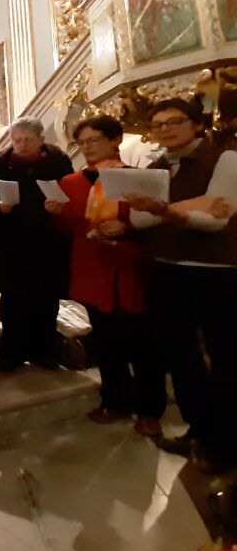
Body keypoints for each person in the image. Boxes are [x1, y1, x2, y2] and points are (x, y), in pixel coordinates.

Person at [128, 98, 237, 472]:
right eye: (158, 124)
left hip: (215, 272)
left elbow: (217, 220)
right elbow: (138, 221)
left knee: (225, 360)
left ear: (197, 125)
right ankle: (200, 431)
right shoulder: (155, 168)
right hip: (165, 271)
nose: (165, 129)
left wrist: (165, 210)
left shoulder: (226, 160)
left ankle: (226, 447)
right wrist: (194, 205)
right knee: (181, 358)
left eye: (174, 121)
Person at [47, 116, 165, 435]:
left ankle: (150, 410)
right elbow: (68, 229)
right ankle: (115, 402)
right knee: (107, 344)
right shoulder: (71, 183)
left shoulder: (138, 178)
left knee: (144, 347)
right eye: (81, 143)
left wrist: (126, 228)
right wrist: (56, 215)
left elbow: (157, 224)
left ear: (115, 140)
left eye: (93, 140)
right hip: (93, 272)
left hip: (131, 270)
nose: (87, 147)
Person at [0, 117, 72, 371]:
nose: (22, 145)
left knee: (46, 300)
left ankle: (44, 352)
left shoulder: (59, 162)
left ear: (41, 140)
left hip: (47, 241)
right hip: (11, 243)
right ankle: (12, 353)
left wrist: (60, 207)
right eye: (17, 140)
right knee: (13, 302)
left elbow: (70, 196)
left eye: (28, 140)